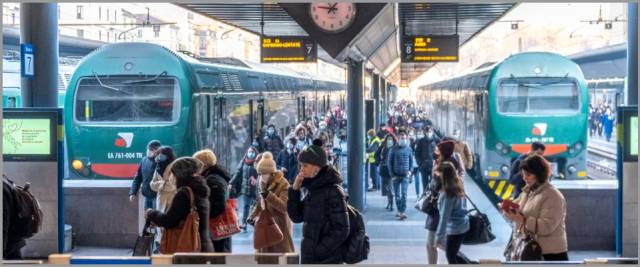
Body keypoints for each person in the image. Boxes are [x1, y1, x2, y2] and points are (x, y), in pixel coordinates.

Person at [287, 139, 350, 264]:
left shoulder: (333, 191)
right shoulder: (313, 189)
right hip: (311, 257)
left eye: (305, 166)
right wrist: (294, 190)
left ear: (317, 167)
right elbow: (297, 216)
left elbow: (342, 229)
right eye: (300, 165)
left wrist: (319, 251)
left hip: (326, 259)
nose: (301, 170)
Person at [501, 154, 568, 261]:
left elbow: (546, 227)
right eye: (523, 174)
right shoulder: (528, 191)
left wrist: (521, 219)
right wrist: (507, 208)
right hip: (532, 249)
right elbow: (517, 206)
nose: (524, 178)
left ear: (538, 174)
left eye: (528, 174)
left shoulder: (553, 196)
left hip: (549, 254)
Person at [145, 157, 215, 252]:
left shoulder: (184, 193)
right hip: (202, 244)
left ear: (180, 174)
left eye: (173, 174)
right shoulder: (199, 190)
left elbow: (169, 221)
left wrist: (151, 213)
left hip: (187, 248)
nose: (171, 178)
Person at [247, 152, 295, 254]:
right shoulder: (263, 183)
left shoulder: (283, 184)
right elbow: (260, 203)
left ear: (271, 173)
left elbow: (284, 206)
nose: (261, 177)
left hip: (279, 226)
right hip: (265, 226)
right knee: (265, 258)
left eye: (263, 174)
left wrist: (268, 195)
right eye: (259, 174)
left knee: (279, 257)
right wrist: (252, 216)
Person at [193, 149, 233, 252]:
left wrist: (202, 214)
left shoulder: (212, 179)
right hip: (218, 230)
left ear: (203, 164)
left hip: (216, 229)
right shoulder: (213, 176)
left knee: (217, 257)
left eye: (196, 164)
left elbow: (218, 206)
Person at [435, 162, 470, 264]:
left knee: (451, 256)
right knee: (453, 254)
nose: (438, 176)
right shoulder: (458, 185)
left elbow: (444, 217)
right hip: (463, 225)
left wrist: (438, 237)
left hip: (455, 229)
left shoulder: (448, 194)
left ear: (444, 176)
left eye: (439, 174)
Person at [230, 146, 260, 231]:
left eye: (252, 152)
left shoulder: (258, 161)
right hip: (245, 188)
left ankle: (256, 222)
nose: (250, 153)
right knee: (246, 206)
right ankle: (244, 223)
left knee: (257, 206)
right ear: (247, 153)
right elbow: (237, 173)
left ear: (255, 153)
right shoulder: (243, 161)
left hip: (255, 188)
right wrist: (231, 183)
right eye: (249, 152)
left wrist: (256, 180)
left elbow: (262, 173)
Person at [387, 130, 414, 220]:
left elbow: (411, 162)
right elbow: (389, 163)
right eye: (402, 138)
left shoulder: (409, 149)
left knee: (404, 193)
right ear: (398, 139)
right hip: (396, 175)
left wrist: (410, 171)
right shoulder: (393, 149)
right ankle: (399, 210)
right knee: (397, 194)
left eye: (405, 138)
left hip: (405, 175)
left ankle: (402, 211)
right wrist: (392, 175)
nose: (404, 140)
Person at [130, 140, 162, 210]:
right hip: (147, 196)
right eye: (148, 149)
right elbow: (138, 177)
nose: (149, 151)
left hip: (158, 196)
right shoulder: (144, 160)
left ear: (157, 151)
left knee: (156, 218)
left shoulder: (161, 162)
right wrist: (133, 192)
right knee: (147, 217)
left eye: (151, 150)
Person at [3, 177, 26, 259]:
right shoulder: (5, 180)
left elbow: (3, 223)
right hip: (12, 242)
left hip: (9, 246)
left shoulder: (2, 189)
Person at [415, 125, 440, 192]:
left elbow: (440, 153)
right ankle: (425, 199)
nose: (429, 133)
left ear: (433, 132)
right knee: (425, 185)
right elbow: (417, 154)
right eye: (427, 131)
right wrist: (420, 164)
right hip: (424, 167)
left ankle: (433, 200)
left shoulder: (437, 141)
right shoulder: (421, 141)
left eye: (430, 131)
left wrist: (438, 163)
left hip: (434, 167)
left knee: (434, 185)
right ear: (425, 132)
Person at [376, 134, 397, 211]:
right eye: (388, 139)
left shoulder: (395, 148)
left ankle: (392, 204)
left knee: (390, 188)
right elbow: (376, 155)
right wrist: (379, 162)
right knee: (386, 187)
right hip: (384, 169)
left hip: (391, 170)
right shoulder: (382, 147)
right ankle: (389, 202)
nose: (389, 141)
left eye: (391, 139)